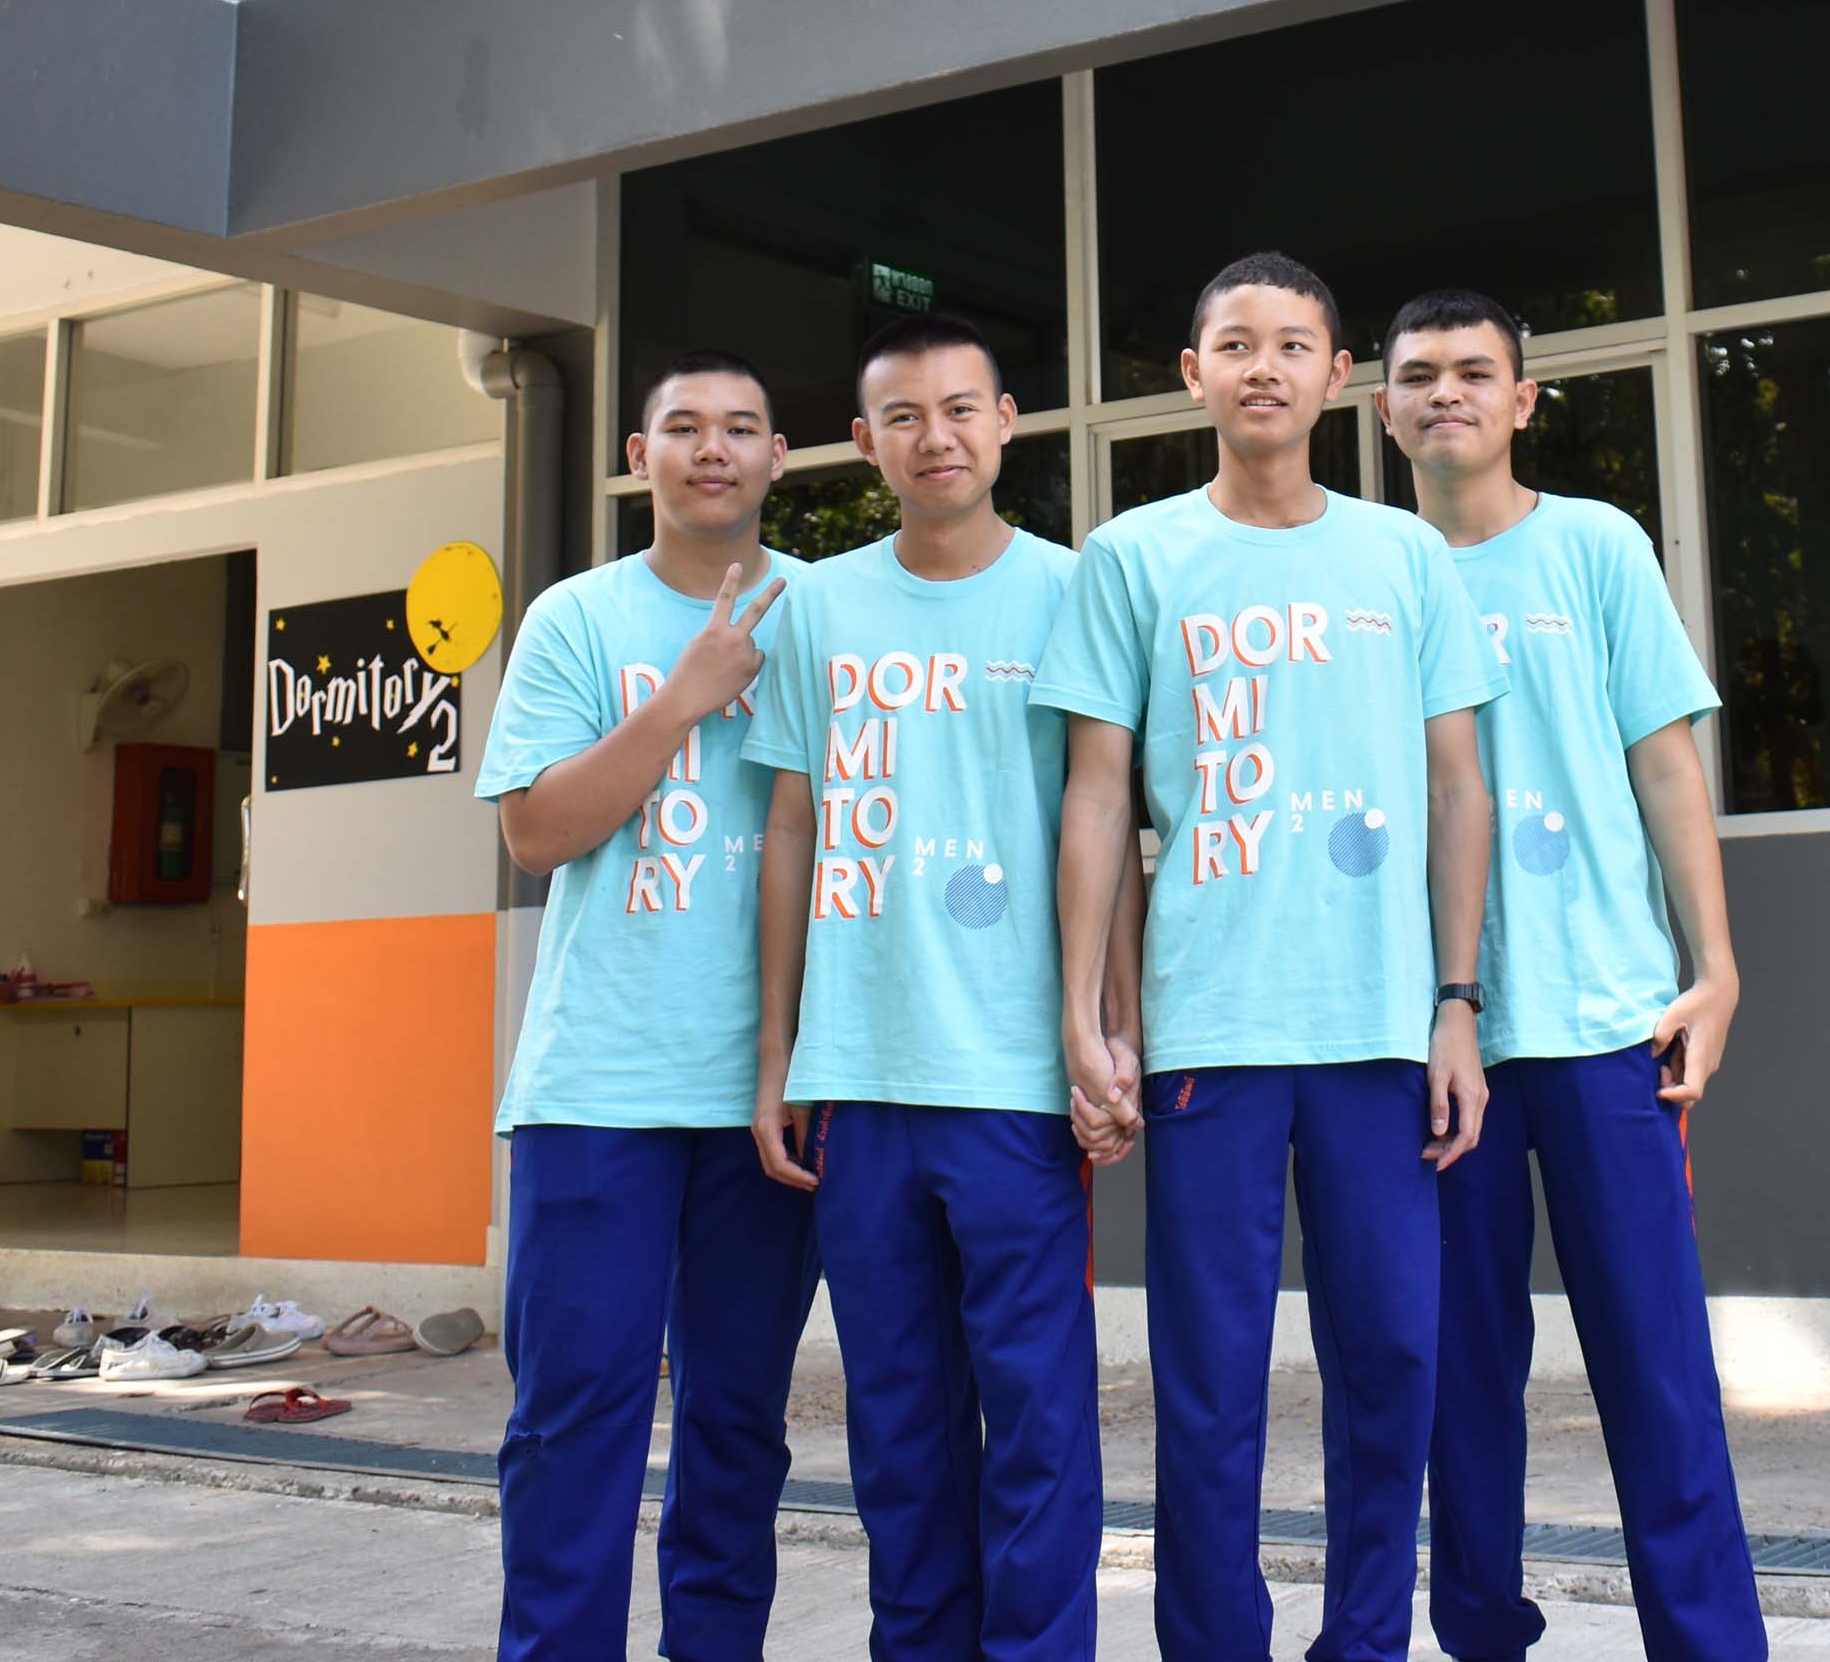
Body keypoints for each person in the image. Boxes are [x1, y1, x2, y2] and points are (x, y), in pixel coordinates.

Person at [1037, 250, 1505, 1662]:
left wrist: (1457, 1003)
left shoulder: (1402, 554)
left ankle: (1364, 1640)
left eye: (1292, 343)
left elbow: (1458, 789)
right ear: (1193, 375)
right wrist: (1088, 1016)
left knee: (1394, 1361)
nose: (1263, 366)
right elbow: (1097, 799)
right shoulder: (1133, 556)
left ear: (1335, 375)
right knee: (1209, 1381)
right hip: (1210, 1031)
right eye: (1234, 343)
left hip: (1377, 1032)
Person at [1373, 292, 1767, 1662]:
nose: (1446, 393)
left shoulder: (1595, 544)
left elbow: (1664, 762)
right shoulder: (1368, 570)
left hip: (1607, 1025)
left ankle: (1709, 1646)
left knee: (1658, 1372)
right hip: (1439, 1044)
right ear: (1383, 406)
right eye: (1418, 374)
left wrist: (1714, 965)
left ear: (1522, 398)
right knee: (1457, 1381)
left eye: (1473, 371)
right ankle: (1482, 1633)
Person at [747, 313, 1108, 1662]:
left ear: (1007, 421)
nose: (934, 435)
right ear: (864, 441)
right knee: (898, 1427)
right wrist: (777, 1053)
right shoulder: (815, 606)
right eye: (903, 414)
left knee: (1038, 1417)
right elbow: (790, 829)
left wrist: (1105, 1031)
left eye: (960, 408)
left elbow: (1103, 819)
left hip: (1014, 1081)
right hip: (858, 1078)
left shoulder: (1076, 589)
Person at [477, 353, 817, 1662]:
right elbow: (534, 833)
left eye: (741, 426)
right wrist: (683, 695)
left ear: (778, 454)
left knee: (737, 1423)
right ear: (640, 455)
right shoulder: (574, 618)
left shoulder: (826, 613)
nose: (712, 447)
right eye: (684, 426)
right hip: (597, 1087)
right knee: (574, 1422)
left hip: (768, 1096)